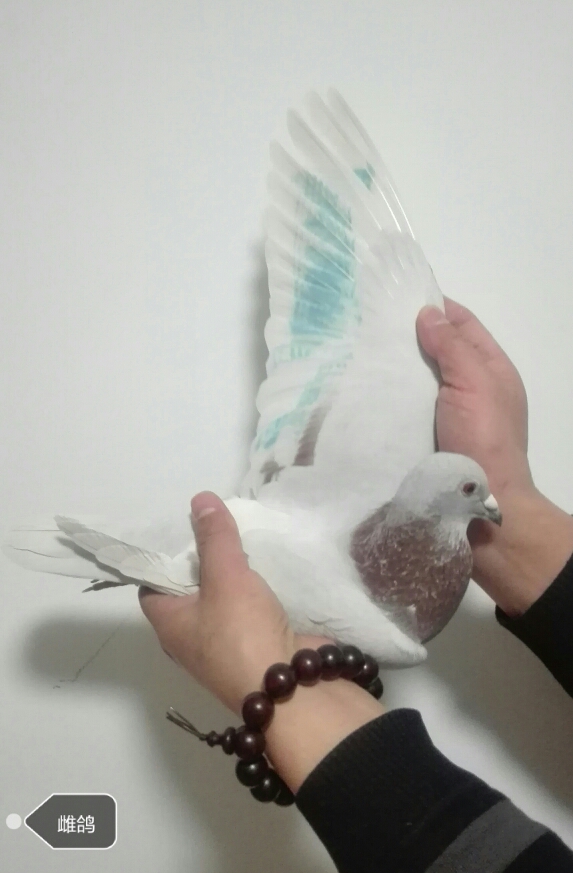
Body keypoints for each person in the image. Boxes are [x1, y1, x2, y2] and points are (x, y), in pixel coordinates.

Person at [139, 298, 573, 872]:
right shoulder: (387, 580)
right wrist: (512, 495)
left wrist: (267, 677)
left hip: (252, 544)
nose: (490, 501)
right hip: (236, 543)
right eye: (478, 492)